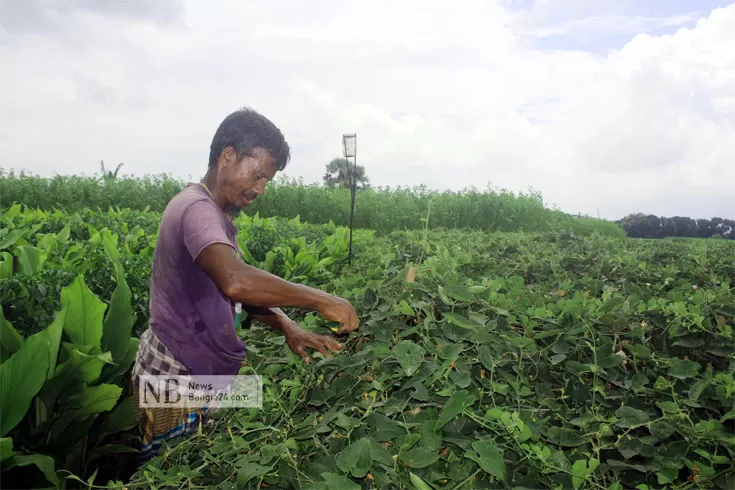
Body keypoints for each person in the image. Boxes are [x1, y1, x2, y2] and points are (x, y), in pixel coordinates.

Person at [131, 107, 359, 463]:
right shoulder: (197, 209)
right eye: (257, 176)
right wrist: (320, 300)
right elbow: (236, 281)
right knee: (174, 473)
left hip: (201, 368)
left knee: (227, 436)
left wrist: (287, 325)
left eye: (267, 181)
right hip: (174, 377)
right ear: (228, 156)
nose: (261, 189)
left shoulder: (212, 212)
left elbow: (232, 289)